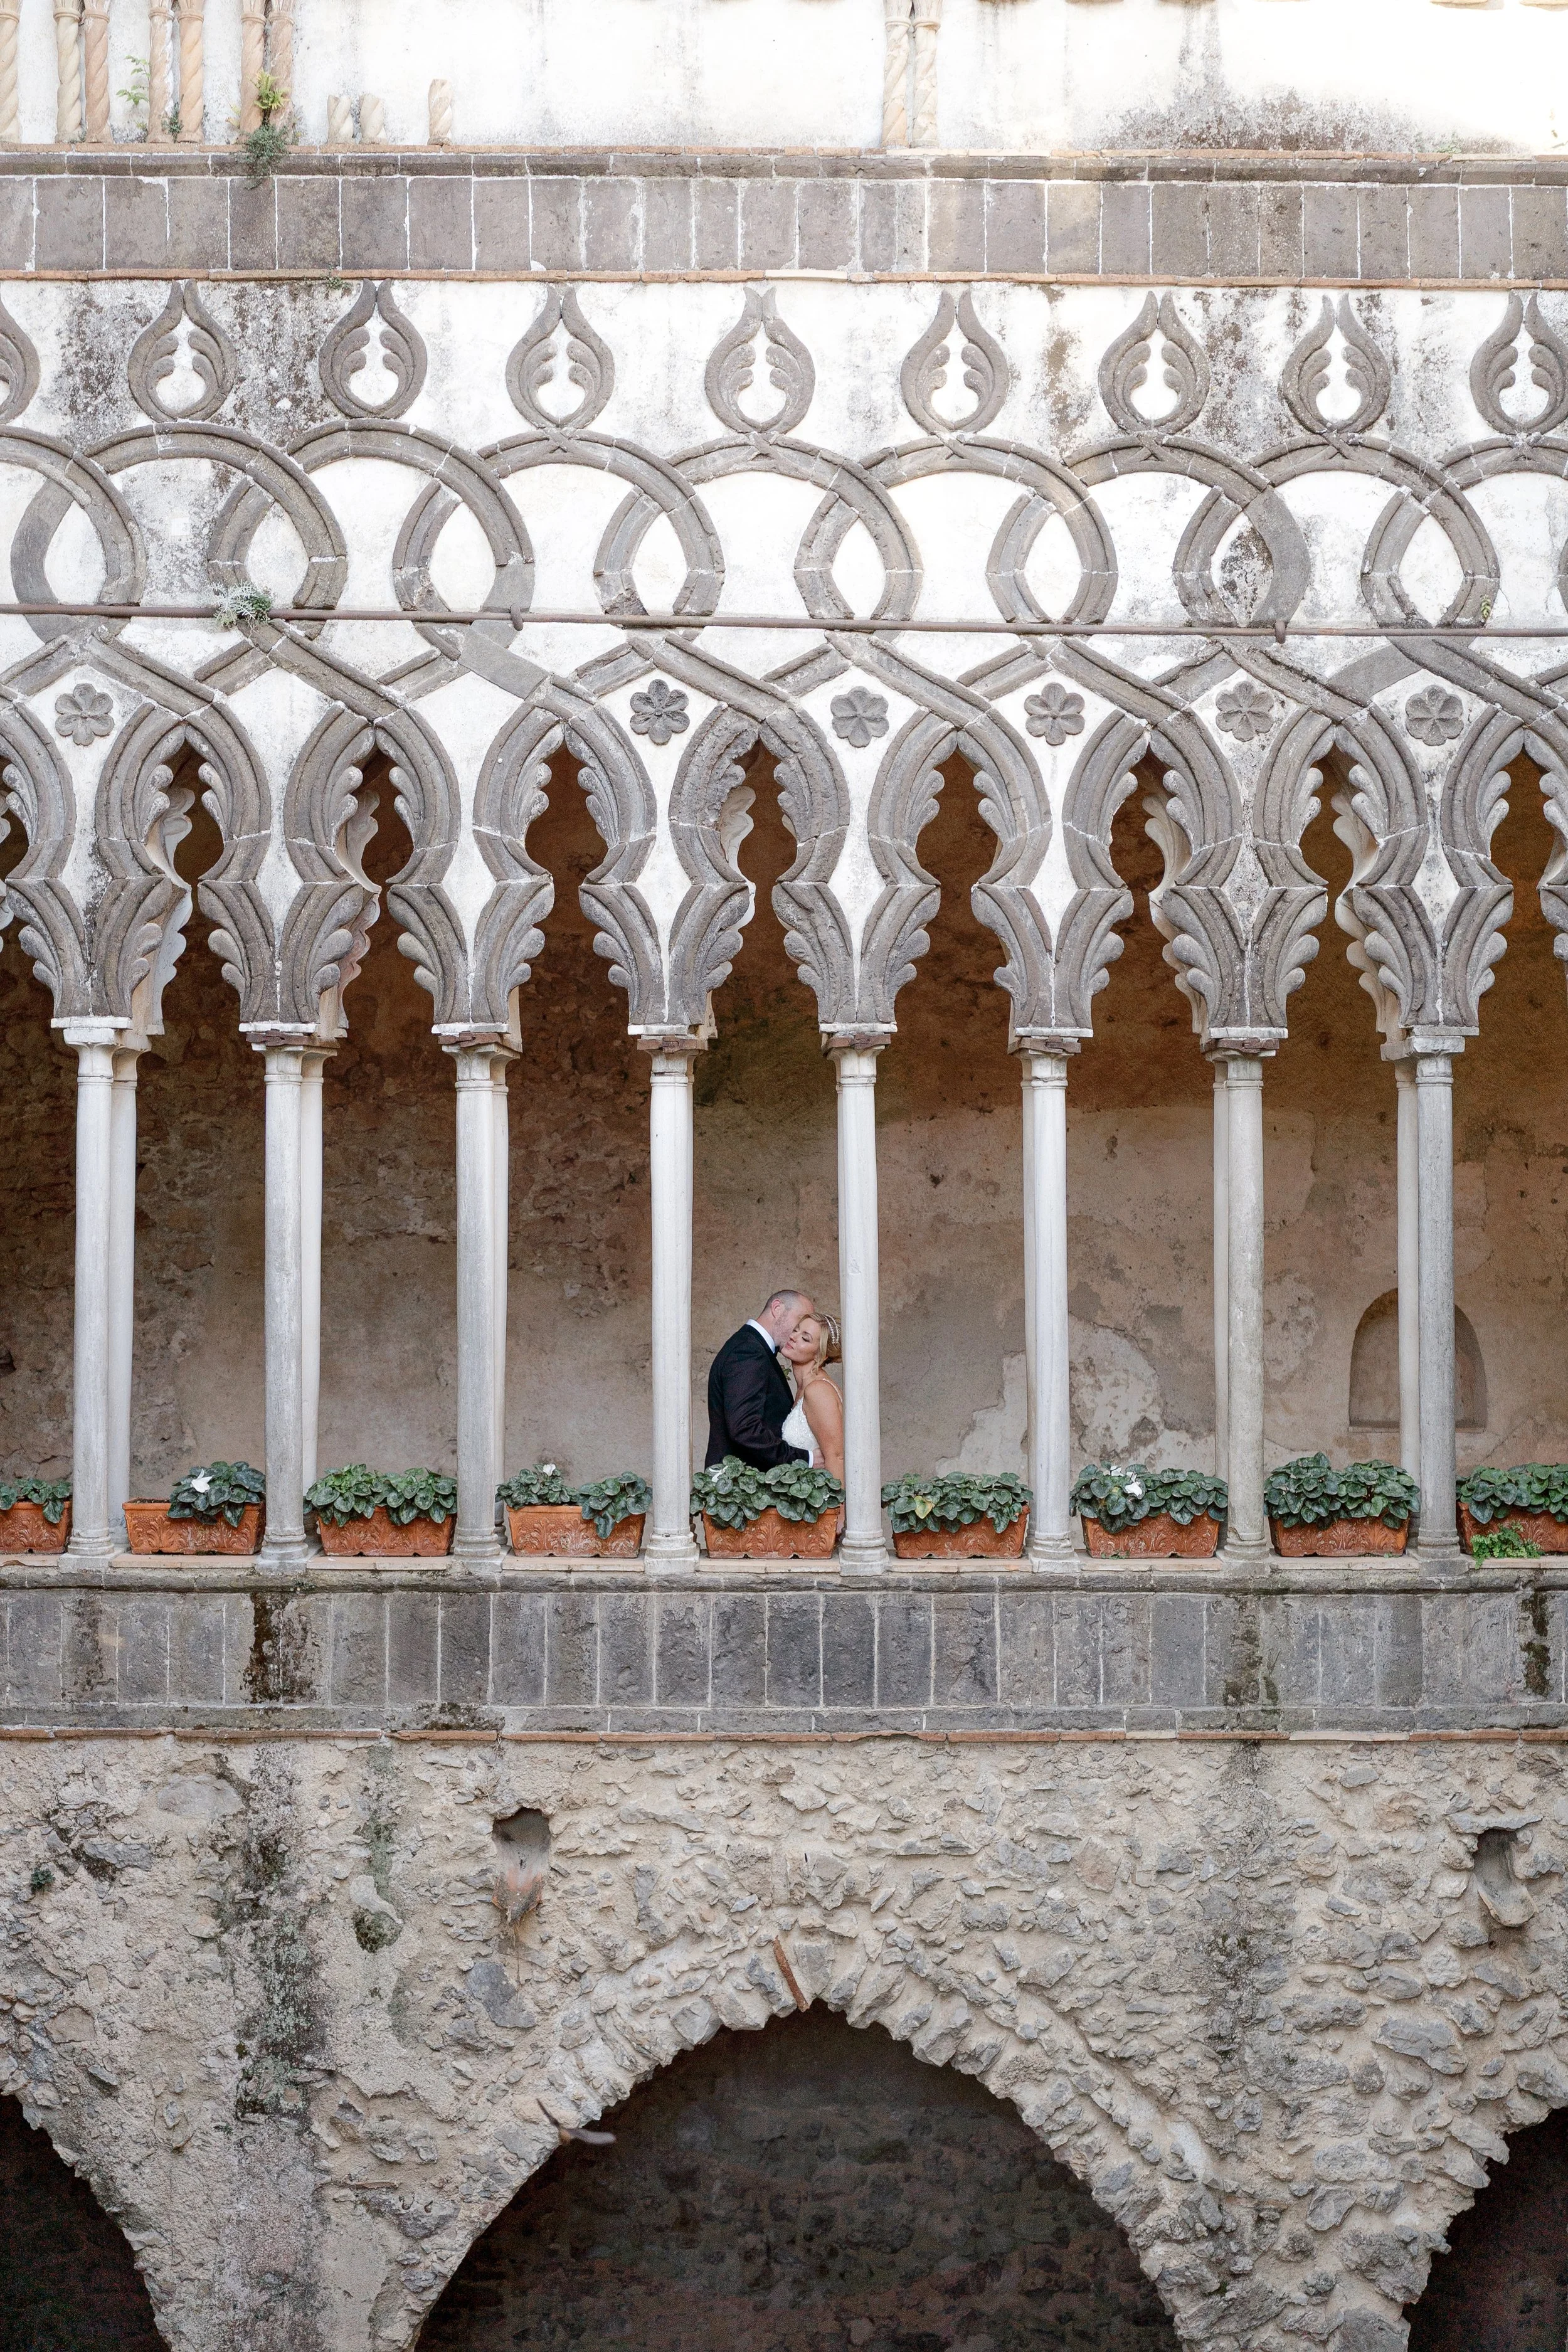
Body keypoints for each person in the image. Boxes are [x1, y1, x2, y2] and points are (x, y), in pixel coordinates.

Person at [705, 1288, 815, 1469]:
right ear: (777, 1309)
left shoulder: (753, 1347)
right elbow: (745, 1428)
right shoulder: (748, 1351)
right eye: (800, 1320)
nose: (799, 1331)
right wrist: (804, 1459)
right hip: (739, 1489)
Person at [779, 1308, 844, 1484]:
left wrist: (840, 1511)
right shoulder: (804, 1387)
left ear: (820, 1355)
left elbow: (837, 1457)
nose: (794, 1337)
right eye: (796, 1330)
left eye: (805, 1338)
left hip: (823, 1504)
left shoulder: (818, 1390)